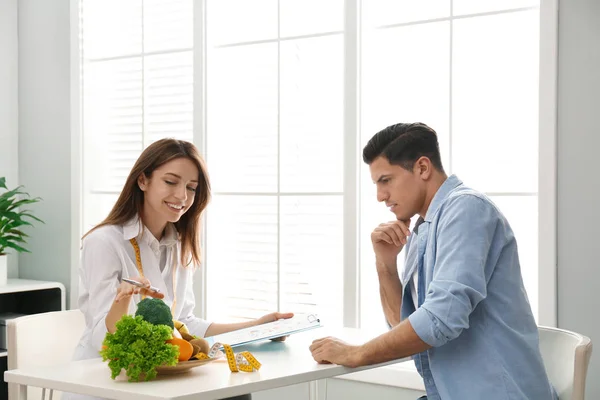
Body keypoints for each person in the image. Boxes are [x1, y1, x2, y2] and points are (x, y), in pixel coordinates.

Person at [309, 123, 557, 400]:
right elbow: (406, 326)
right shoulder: (422, 228)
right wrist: (385, 264)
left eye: (386, 180)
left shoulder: (466, 210)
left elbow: (440, 320)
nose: (380, 196)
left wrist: (356, 353)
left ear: (423, 168)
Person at [66, 139, 292, 400]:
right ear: (143, 181)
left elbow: (185, 324)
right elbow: (102, 341)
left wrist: (256, 327)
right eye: (170, 182)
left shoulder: (180, 244)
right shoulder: (103, 242)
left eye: (191, 187)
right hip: (108, 381)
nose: (182, 197)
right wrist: (122, 301)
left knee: (237, 393)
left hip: (163, 381)